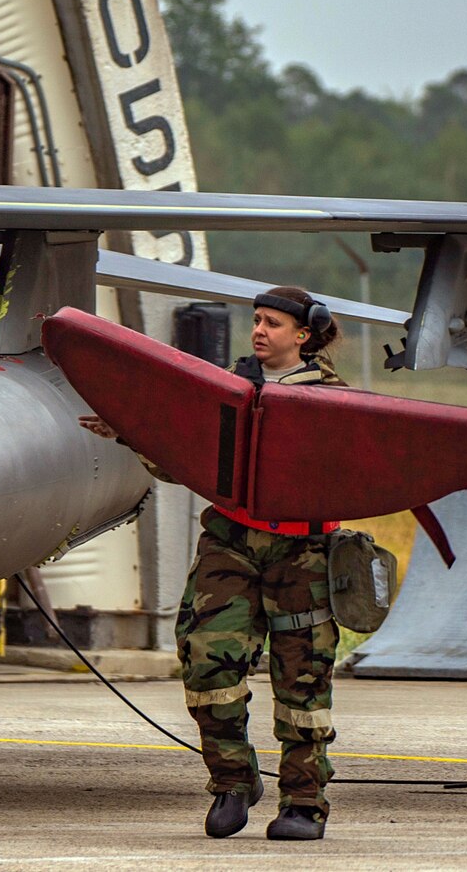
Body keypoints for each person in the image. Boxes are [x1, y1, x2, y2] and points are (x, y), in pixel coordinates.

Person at [83, 286, 347, 842]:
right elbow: (185, 459)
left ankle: (304, 801)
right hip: (230, 543)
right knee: (208, 664)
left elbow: (357, 472)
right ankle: (233, 782)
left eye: (272, 323)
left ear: (303, 335)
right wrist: (133, 431)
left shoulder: (333, 399)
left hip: (304, 553)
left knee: (302, 677)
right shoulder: (228, 388)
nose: (259, 330)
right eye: (256, 320)